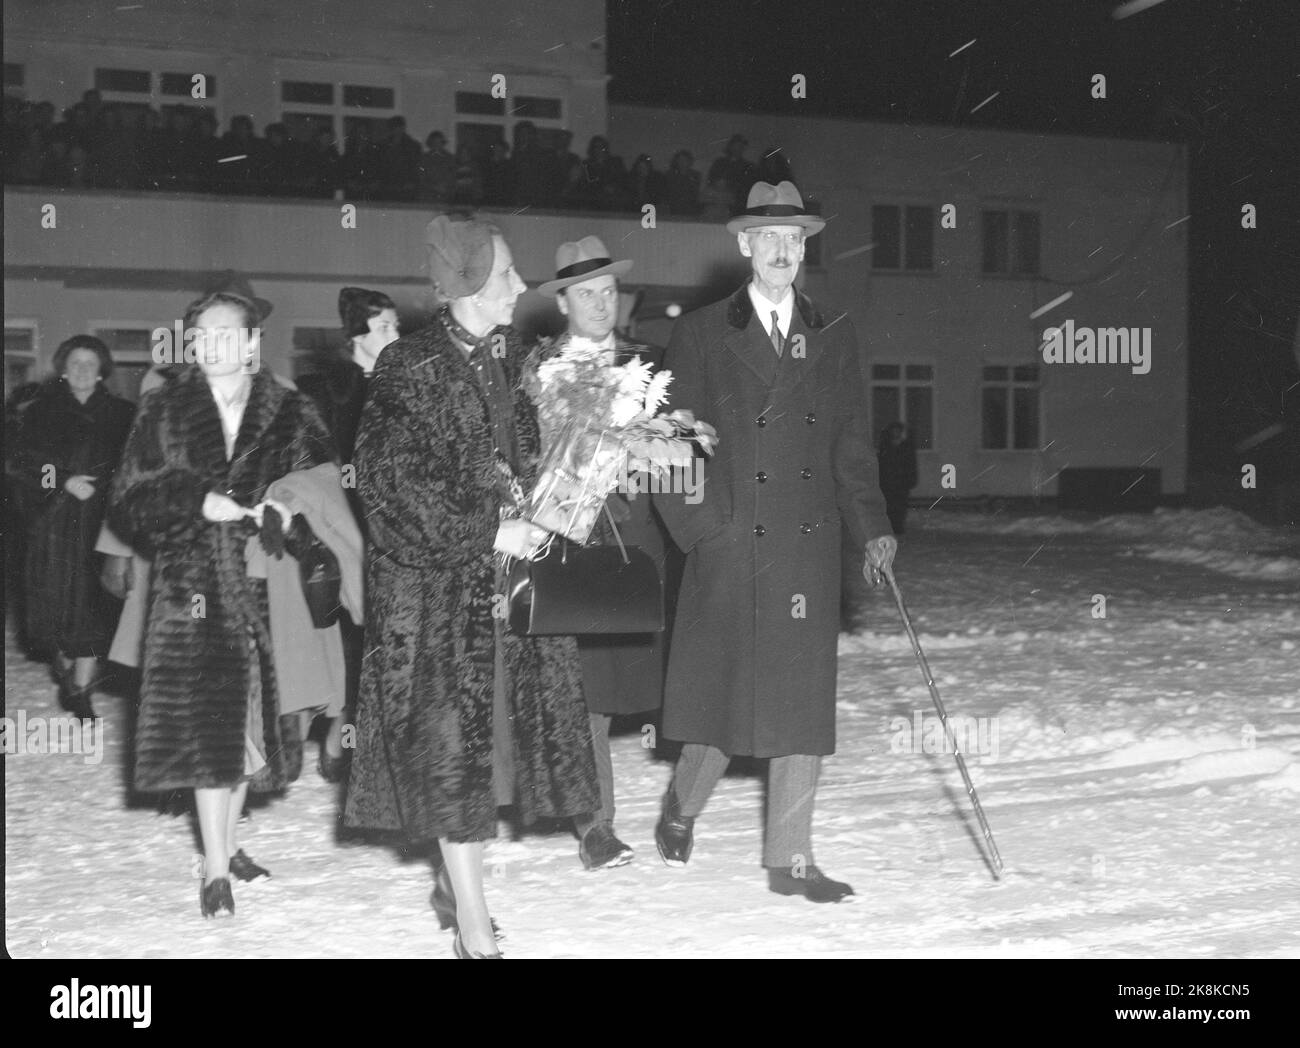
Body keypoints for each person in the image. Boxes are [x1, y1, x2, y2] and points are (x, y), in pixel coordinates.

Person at [343, 215, 599, 958]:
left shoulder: (513, 358)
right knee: (454, 752)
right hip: (436, 601)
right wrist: (489, 529)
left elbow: (533, 457)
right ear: (469, 288)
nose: (522, 287)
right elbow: (390, 488)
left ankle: (458, 891)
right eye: (509, 276)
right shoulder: (406, 365)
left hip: (504, 598)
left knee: (491, 755)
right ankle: (475, 928)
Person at [652, 181, 897, 903]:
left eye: (795, 239)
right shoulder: (701, 332)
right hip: (731, 544)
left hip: (806, 546)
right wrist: (704, 531)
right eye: (770, 238)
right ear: (744, 245)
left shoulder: (834, 330)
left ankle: (791, 860)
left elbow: (852, 443)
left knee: (798, 705)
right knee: (723, 705)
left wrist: (874, 527)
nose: (783, 250)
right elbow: (669, 449)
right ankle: (682, 805)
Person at [108, 287, 336, 919]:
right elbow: (128, 502)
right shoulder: (164, 409)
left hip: (269, 588)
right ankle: (215, 868)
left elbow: (326, 484)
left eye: (224, 334)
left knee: (250, 730)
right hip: (192, 589)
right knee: (212, 730)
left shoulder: (290, 409)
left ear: (253, 343)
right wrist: (192, 500)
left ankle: (227, 844)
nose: (211, 346)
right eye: (201, 336)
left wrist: (287, 508)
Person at [528, 237, 671, 871]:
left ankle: (680, 807)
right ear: (562, 301)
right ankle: (597, 827)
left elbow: (679, 451)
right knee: (582, 694)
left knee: (629, 689)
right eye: (586, 293)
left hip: (639, 547)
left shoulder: (651, 365)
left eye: (609, 291)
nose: (600, 304)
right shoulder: (537, 371)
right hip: (571, 545)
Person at [297, 287, 399, 780]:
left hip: (393, 524)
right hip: (339, 524)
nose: (395, 336)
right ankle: (333, 740)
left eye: (396, 326)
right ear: (357, 334)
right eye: (384, 327)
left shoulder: (402, 383)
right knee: (343, 639)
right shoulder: (328, 390)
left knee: (374, 638)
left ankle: (350, 741)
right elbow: (307, 458)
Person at [11, 336, 135, 719]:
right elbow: (22, 464)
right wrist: (62, 480)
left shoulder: (124, 413)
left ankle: (81, 687)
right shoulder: (41, 412)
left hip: (106, 519)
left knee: (96, 603)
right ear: (64, 369)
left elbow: (137, 462)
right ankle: (66, 665)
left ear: (102, 371)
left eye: (90, 363)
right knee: (59, 602)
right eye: (76, 363)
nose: (82, 370)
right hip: (57, 520)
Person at [877, 421, 918, 535]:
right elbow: (881, 465)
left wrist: (912, 480)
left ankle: (898, 528)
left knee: (901, 507)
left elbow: (912, 464)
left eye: (898, 430)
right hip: (888, 483)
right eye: (893, 430)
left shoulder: (906, 446)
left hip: (902, 483)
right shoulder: (885, 446)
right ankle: (889, 527)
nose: (896, 433)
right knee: (888, 506)